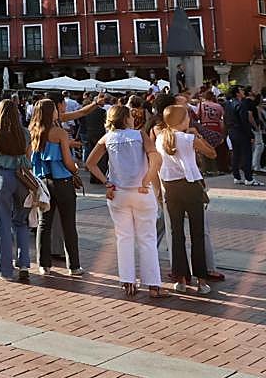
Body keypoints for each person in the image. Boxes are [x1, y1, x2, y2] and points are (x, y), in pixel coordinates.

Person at [85, 101, 167, 298]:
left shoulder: (107, 137)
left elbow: (90, 163)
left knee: (124, 238)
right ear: (126, 118)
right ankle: (153, 285)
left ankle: (128, 281)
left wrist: (107, 182)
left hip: (117, 192)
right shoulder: (140, 135)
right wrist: (147, 179)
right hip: (141, 191)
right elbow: (156, 158)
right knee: (147, 238)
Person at [156, 98, 216, 294]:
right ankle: (201, 280)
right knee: (197, 234)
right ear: (182, 120)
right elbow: (212, 153)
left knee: (176, 234)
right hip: (190, 186)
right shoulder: (187, 138)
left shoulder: (160, 138)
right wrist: (196, 135)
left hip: (170, 187)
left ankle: (180, 279)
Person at [28, 98, 83, 276]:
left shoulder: (33, 131)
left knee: (44, 224)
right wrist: (75, 169)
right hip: (62, 182)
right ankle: (74, 266)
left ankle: (44, 265)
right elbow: (67, 161)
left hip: (43, 182)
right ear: (50, 112)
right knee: (68, 224)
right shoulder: (59, 132)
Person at [0, 98, 32, 282]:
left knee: (2, 222)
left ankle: (4, 269)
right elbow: (28, 158)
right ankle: (24, 264)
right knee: (21, 221)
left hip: (2, 176)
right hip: (22, 179)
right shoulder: (25, 133)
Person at [228, 87, 262, 186]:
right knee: (246, 155)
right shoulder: (240, 104)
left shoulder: (228, 104)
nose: (243, 92)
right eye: (241, 90)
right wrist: (250, 134)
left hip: (232, 131)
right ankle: (248, 178)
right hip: (241, 132)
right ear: (237, 93)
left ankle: (237, 177)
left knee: (236, 154)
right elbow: (244, 121)